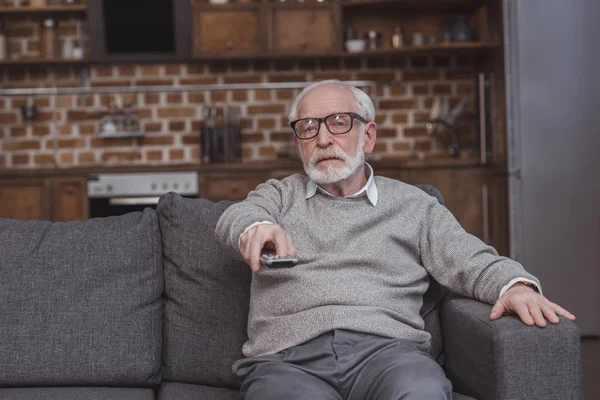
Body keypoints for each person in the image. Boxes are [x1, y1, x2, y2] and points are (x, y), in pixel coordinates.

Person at [215, 80, 576, 400]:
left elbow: (471, 259)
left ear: (368, 135)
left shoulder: (415, 206)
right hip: (287, 361)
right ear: (299, 142)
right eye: (308, 128)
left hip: (388, 355)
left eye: (338, 123)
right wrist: (256, 227)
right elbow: (237, 218)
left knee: (422, 391)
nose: (323, 139)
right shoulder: (278, 195)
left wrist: (515, 286)